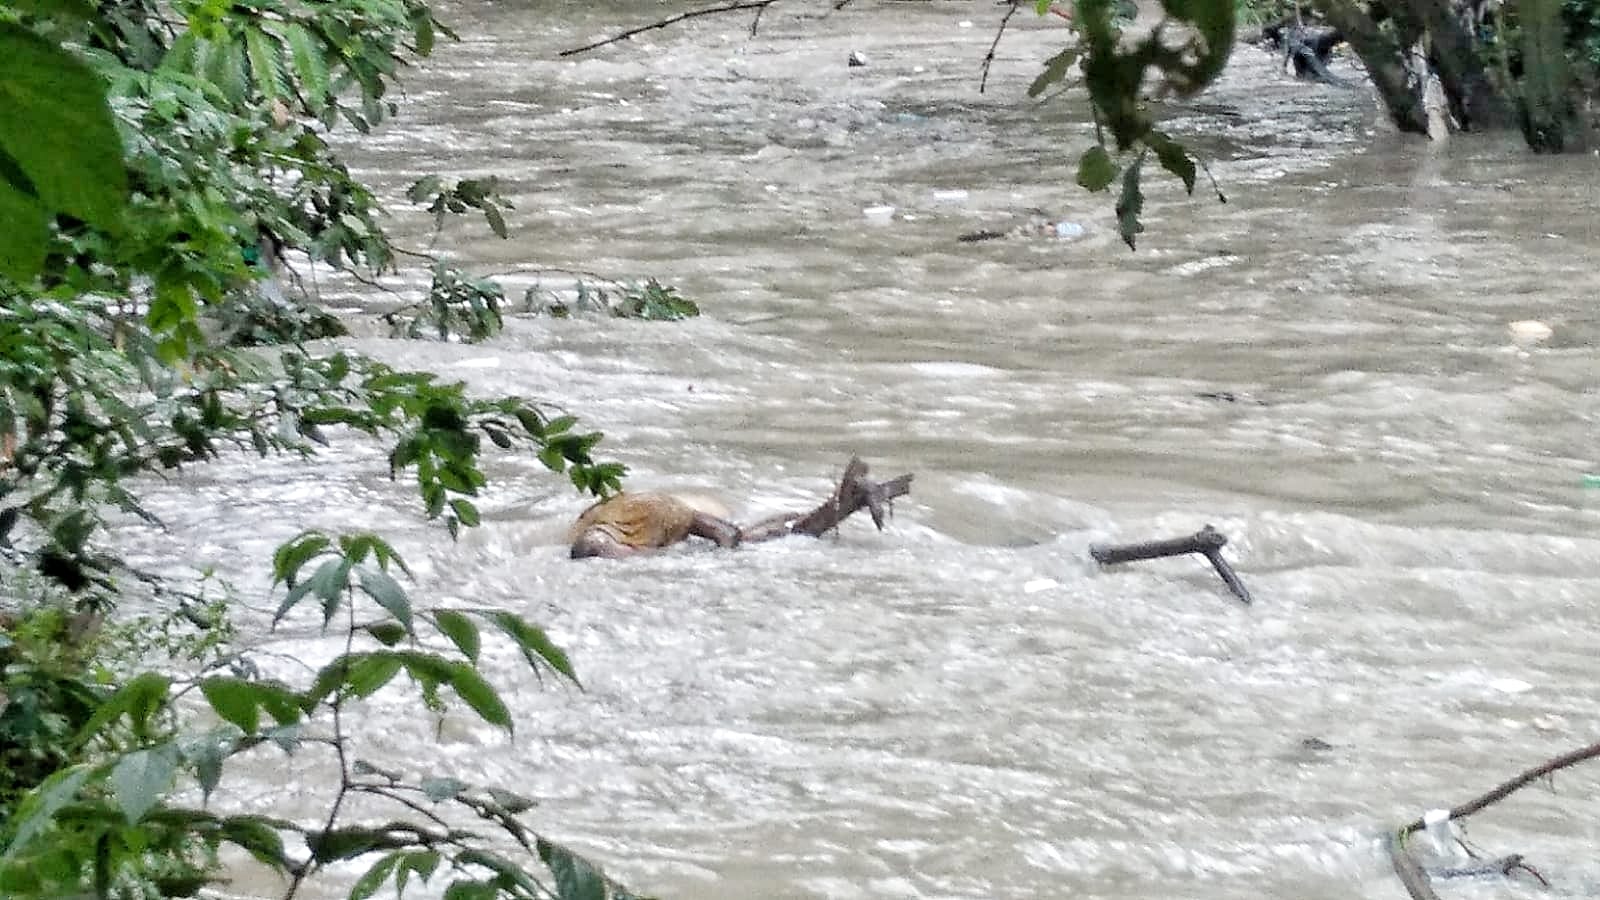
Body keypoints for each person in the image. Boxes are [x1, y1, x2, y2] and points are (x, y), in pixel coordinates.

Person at [568, 457, 912, 559]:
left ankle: (844, 501)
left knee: (745, 542)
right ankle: (845, 500)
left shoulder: (610, 537)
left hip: (670, 516)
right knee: (746, 536)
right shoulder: (603, 518)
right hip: (656, 508)